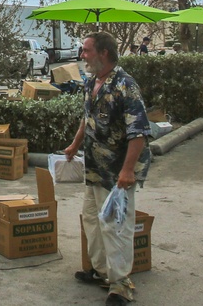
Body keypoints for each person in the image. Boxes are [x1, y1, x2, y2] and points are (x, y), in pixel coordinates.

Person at [65, 31, 151, 306]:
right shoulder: (92, 82)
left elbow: (138, 133)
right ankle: (102, 271)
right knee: (91, 219)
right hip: (94, 169)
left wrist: (127, 172)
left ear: (103, 53)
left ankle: (120, 285)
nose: (82, 55)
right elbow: (86, 118)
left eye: (87, 50)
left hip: (116, 172)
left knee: (116, 226)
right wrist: (74, 144)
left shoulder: (125, 85)